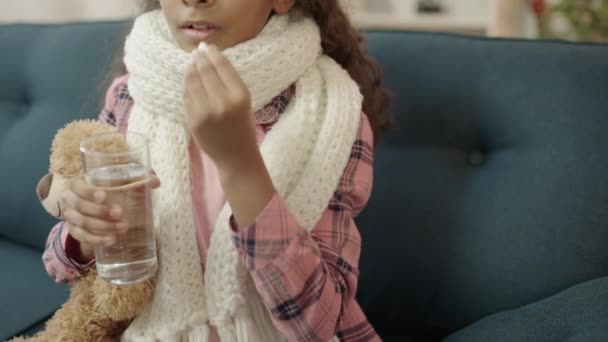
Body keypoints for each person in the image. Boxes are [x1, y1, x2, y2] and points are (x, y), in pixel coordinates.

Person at [42, 0, 391, 340]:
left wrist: (240, 165)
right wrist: (86, 236)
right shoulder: (129, 95)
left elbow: (318, 323)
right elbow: (61, 263)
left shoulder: (331, 116)